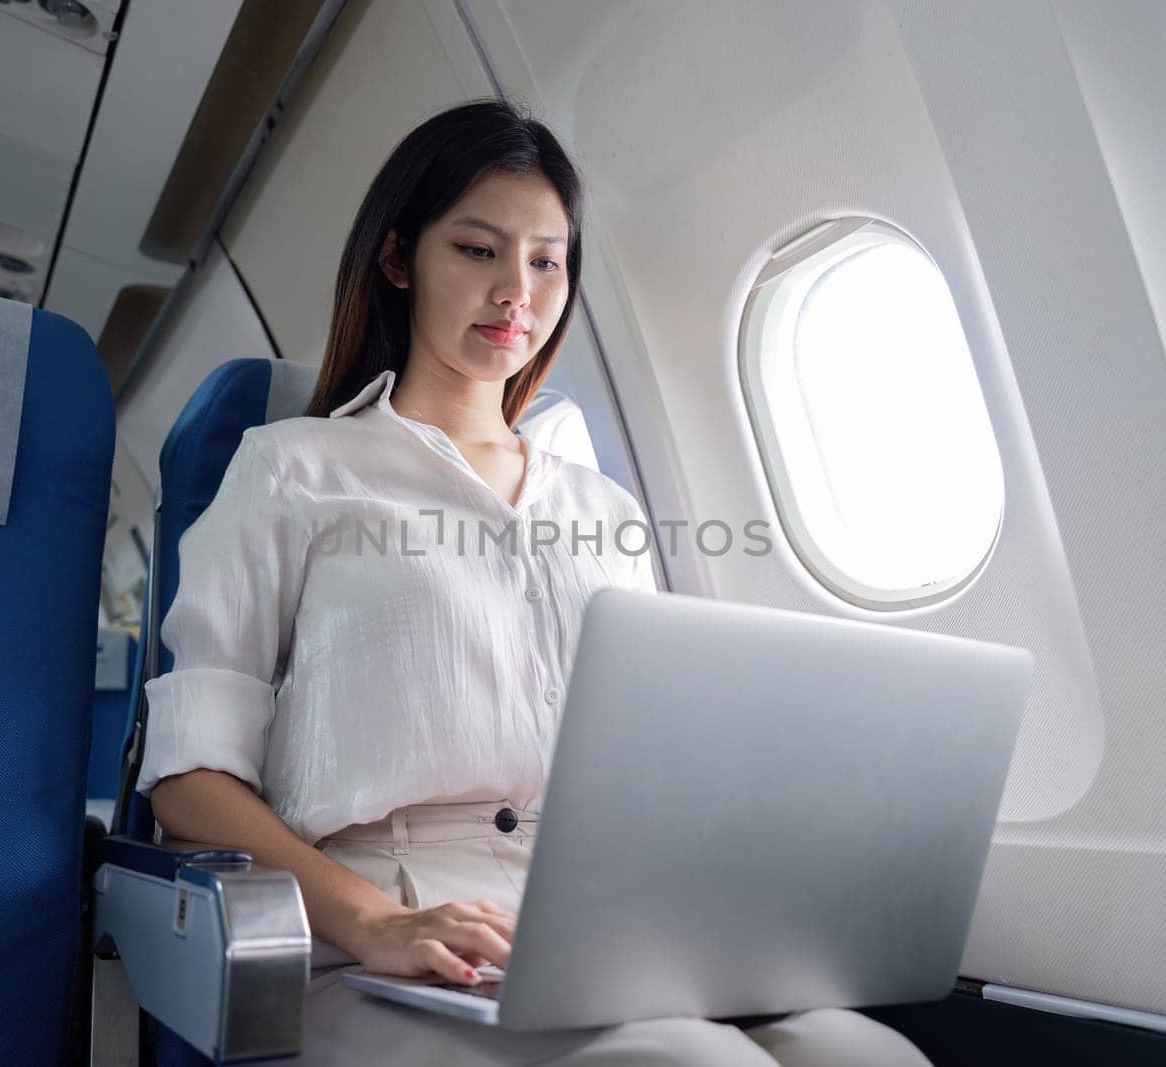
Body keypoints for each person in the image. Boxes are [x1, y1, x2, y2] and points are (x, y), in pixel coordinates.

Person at [138, 98, 931, 1066]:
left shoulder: (606, 509)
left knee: (866, 1053)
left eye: (546, 260)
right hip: (378, 932)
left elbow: (647, 770)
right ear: (399, 259)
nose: (517, 289)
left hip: (600, 927)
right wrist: (377, 921)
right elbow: (189, 780)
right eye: (477, 250)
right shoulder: (293, 467)